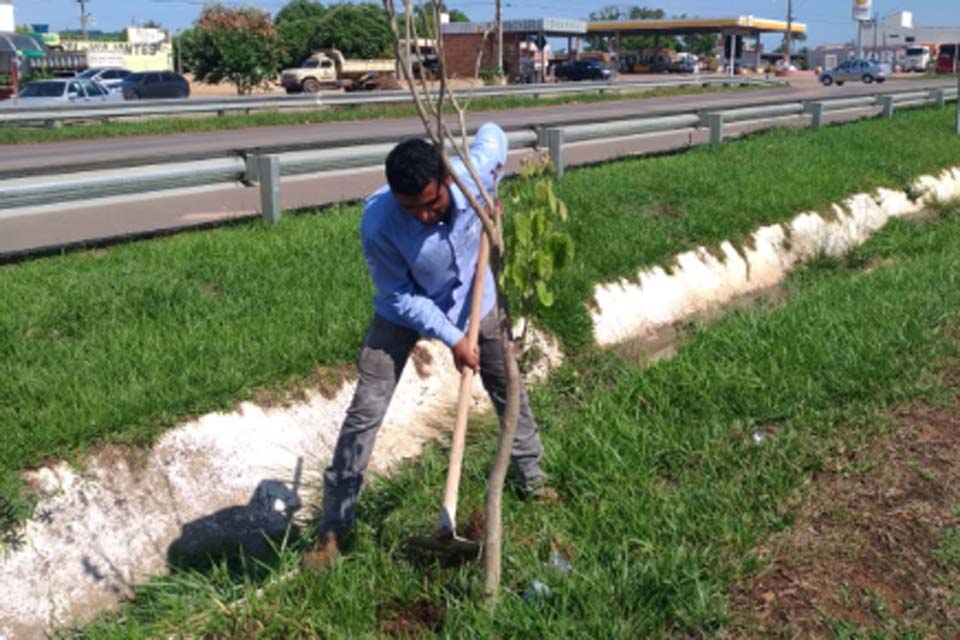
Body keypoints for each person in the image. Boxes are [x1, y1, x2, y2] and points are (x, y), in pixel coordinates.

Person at [303, 123, 555, 571]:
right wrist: (453, 338)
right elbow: (401, 295)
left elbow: (494, 134)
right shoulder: (378, 222)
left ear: (446, 179)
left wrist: (490, 202)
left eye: (431, 204)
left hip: (478, 303)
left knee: (508, 390)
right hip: (402, 314)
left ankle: (534, 482)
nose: (423, 216)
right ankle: (335, 529)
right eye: (410, 209)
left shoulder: (471, 174)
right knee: (365, 412)